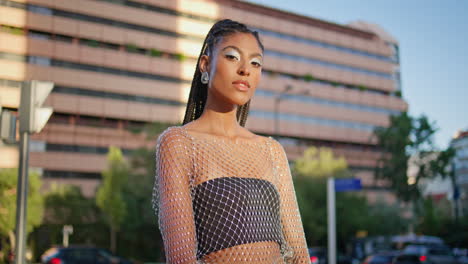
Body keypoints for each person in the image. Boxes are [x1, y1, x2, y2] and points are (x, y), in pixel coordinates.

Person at [152, 19, 310, 264]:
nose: (245, 69)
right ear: (205, 64)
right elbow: (181, 258)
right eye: (232, 57)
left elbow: (299, 254)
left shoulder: (271, 150)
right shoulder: (179, 143)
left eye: (255, 63)